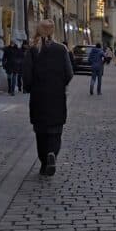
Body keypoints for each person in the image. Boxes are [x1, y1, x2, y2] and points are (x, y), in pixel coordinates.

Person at [23, 19, 73, 176]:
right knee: (55, 130)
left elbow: (27, 75)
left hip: (38, 97)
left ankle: (44, 160)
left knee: (40, 132)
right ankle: (52, 153)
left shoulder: (32, 50)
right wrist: (60, 84)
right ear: (53, 32)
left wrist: (30, 88)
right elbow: (69, 73)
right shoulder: (61, 49)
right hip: (57, 96)